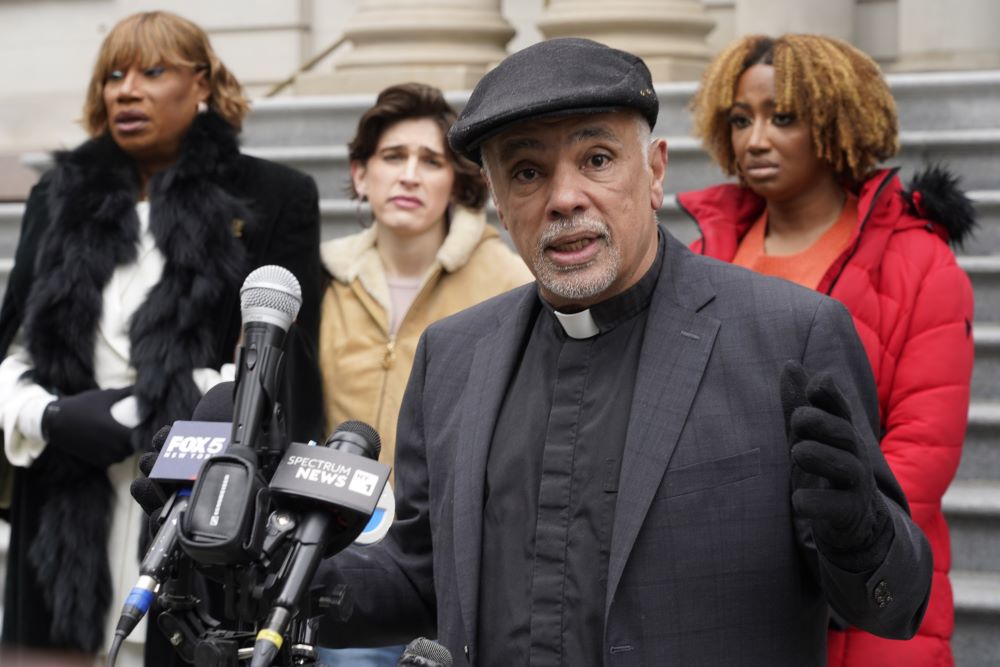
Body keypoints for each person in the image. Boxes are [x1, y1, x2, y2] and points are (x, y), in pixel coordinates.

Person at [307, 38, 933, 664]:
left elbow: (895, 604)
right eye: (528, 172)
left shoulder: (789, 337)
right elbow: (421, 575)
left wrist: (861, 537)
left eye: (598, 159)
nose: (565, 197)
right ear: (498, 199)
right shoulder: (453, 355)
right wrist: (292, 578)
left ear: (656, 171)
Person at [0, 11, 323, 667]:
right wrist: (52, 414)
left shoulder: (273, 195)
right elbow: (14, 351)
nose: (126, 90)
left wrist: (171, 412)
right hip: (62, 504)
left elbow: (284, 370)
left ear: (201, 83)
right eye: (114, 75)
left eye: (152, 72)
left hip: (200, 504)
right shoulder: (57, 196)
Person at [677, 34, 975, 666]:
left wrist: (841, 548)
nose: (755, 139)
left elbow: (921, 448)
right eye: (740, 119)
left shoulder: (919, 261)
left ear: (838, 119)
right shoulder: (702, 257)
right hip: (730, 590)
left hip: (865, 596)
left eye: (782, 117)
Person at [314, 83, 530, 666]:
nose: (409, 176)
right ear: (361, 175)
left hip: (448, 558)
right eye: (392, 157)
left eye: (430, 161)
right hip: (340, 546)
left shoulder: (510, 281)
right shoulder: (320, 280)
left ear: (457, 183)